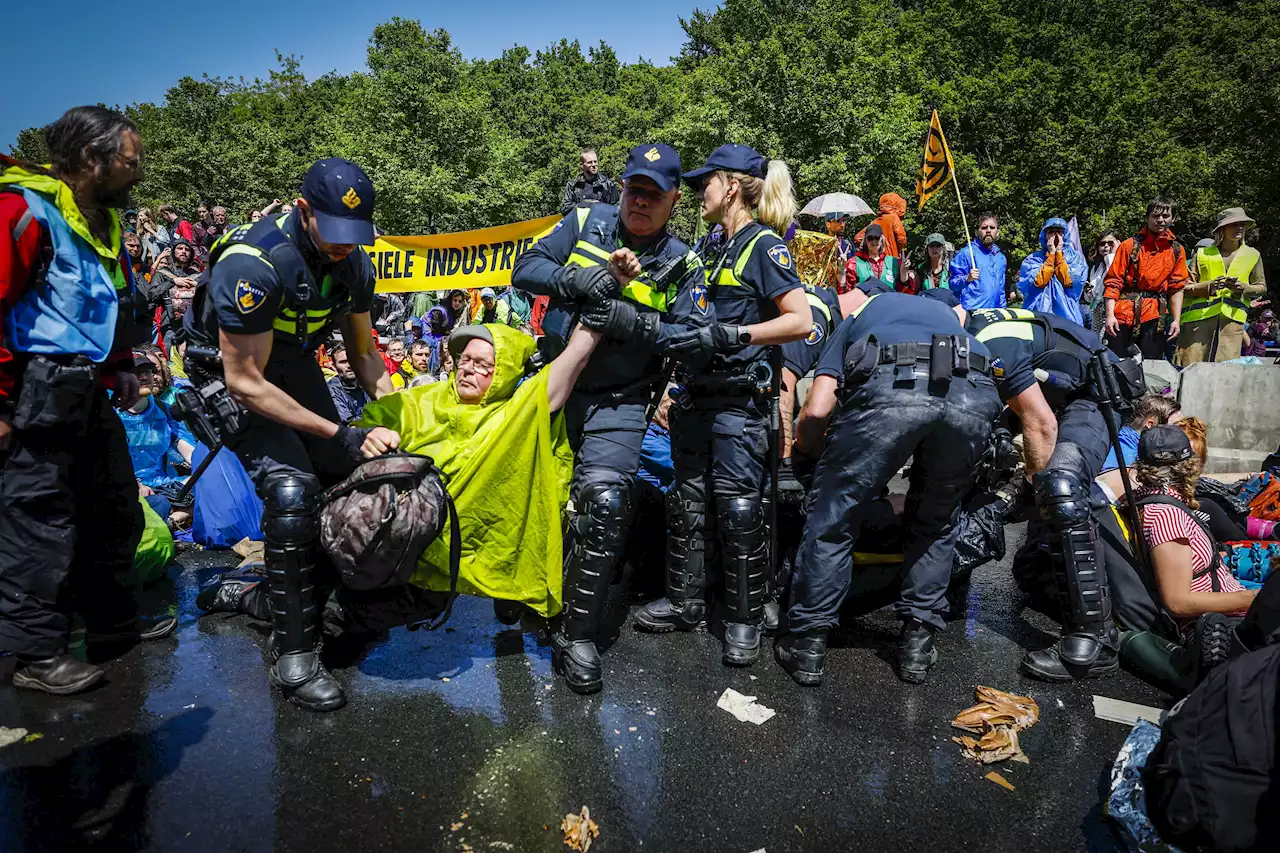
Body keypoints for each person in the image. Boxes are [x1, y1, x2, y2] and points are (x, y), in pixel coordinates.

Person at [187, 157, 393, 712]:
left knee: (349, 474)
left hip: (294, 362)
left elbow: (365, 353)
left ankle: (291, 602)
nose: (345, 246)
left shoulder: (354, 265)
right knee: (291, 489)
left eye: (356, 236)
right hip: (234, 373)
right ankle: (294, 653)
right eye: (336, 233)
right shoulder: (252, 266)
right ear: (304, 211)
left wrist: (400, 411)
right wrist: (339, 430)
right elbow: (247, 382)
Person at [512, 142, 711, 694]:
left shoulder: (682, 261)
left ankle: (575, 634)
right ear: (619, 188)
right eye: (632, 190)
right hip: (554, 382)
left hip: (622, 400)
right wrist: (581, 283)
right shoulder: (582, 220)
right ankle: (517, 591)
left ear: (674, 200)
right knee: (532, 496)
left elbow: (692, 338)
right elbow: (523, 269)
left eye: (653, 195)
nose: (639, 203)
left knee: (606, 504)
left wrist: (631, 321)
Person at [0, 106, 170, 694]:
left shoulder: (105, 221)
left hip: (86, 389)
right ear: (92, 160)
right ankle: (33, 654)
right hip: (30, 394)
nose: (138, 171)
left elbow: (108, 301)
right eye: (130, 160)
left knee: (114, 506)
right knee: (37, 523)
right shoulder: (24, 211)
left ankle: (111, 626)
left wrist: (121, 364)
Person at [626, 143, 812, 669]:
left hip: (739, 406)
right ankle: (686, 604)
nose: (695, 191)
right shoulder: (710, 248)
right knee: (687, 503)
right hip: (695, 401)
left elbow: (800, 320)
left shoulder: (764, 245)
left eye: (704, 182)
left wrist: (735, 333)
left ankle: (743, 620)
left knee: (738, 511)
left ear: (731, 186)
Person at [774, 285, 1000, 685]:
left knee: (834, 516)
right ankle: (917, 648)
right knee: (936, 522)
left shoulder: (859, 317)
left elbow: (818, 408)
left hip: (895, 384)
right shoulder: (950, 320)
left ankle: (807, 644)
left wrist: (808, 456)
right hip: (974, 395)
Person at [966, 306, 1139, 681]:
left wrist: (1036, 491)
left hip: (1097, 393)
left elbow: (1041, 425)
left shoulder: (990, 341)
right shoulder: (967, 332)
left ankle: (1095, 642)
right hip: (1057, 391)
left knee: (1059, 483)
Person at [1131, 426, 1255, 637]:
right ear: (1188, 466)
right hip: (1222, 624)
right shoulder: (1166, 516)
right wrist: (1253, 597)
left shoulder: (1152, 500)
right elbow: (1178, 602)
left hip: (1229, 602)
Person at [1177, 207, 1268, 365]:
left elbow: (1261, 287)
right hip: (1198, 323)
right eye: (1234, 224)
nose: (1239, 228)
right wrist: (1209, 286)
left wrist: (1244, 288)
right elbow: (1185, 286)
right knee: (1190, 368)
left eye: (1242, 224)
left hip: (1231, 324)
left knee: (1225, 372)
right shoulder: (1203, 254)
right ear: (1222, 229)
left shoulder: (1253, 255)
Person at [1103, 198, 1188, 359]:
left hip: (1156, 317)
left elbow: (1176, 287)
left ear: (1173, 219)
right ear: (1148, 218)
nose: (1161, 220)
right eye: (1156, 216)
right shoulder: (1129, 246)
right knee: (1115, 363)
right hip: (1124, 314)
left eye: (1165, 216)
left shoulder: (1177, 250)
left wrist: (1176, 320)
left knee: (1151, 367)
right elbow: (1113, 282)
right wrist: (1109, 315)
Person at [120, 350, 197, 526]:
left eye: (148, 371)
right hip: (125, 486)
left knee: (209, 487)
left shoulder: (164, 410)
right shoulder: (110, 414)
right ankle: (176, 517)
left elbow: (190, 453)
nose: (145, 377)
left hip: (164, 486)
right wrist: (134, 485)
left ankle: (172, 519)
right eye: (137, 372)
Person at [1017, 218, 1088, 325]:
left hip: (1068, 317)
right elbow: (1038, 282)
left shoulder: (1076, 259)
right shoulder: (1032, 260)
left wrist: (1058, 253)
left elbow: (1069, 282)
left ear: (1066, 235)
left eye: (1060, 232)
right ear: (1044, 235)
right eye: (1050, 232)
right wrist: (1051, 256)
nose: (1055, 236)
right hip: (1038, 315)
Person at [949, 212, 1007, 310]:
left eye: (992, 227)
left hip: (995, 312)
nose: (988, 230)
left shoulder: (1001, 258)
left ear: (997, 232)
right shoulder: (967, 253)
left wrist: (1003, 309)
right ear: (977, 232)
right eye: (984, 228)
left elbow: (1001, 290)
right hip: (972, 312)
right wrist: (967, 278)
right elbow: (952, 284)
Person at [844, 223, 902, 299]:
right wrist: (842, 270)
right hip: (865, 307)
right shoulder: (854, 262)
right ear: (865, 240)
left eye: (876, 238)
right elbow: (847, 292)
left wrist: (905, 277)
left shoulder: (893, 262)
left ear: (882, 239)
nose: (873, 241)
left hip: (889, 306)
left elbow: (903, 292)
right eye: (870, 238)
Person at [560, 147, 619, 215]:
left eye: (595, 161)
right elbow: (565, 209)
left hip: (601, 224)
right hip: (579, 224)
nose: (594, 165)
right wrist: (583, 206)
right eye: (589, 162)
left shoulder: (608, 184)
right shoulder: (573, 185)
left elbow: (616, 210)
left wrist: (599, 207)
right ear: (582, 165)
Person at [326, 344, 371, 424]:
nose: (349, 365)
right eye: (343, 362)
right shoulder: (332, 390)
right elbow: (348, 424)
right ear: (334, 366)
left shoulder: (366, 383)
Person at [854, 192, 908, 258]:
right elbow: (902, 239)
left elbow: (857, 238)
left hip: (876, 259)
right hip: (891, 259)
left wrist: (870, 250)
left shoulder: (875, 222)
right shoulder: (894, 218)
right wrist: (898, 249)